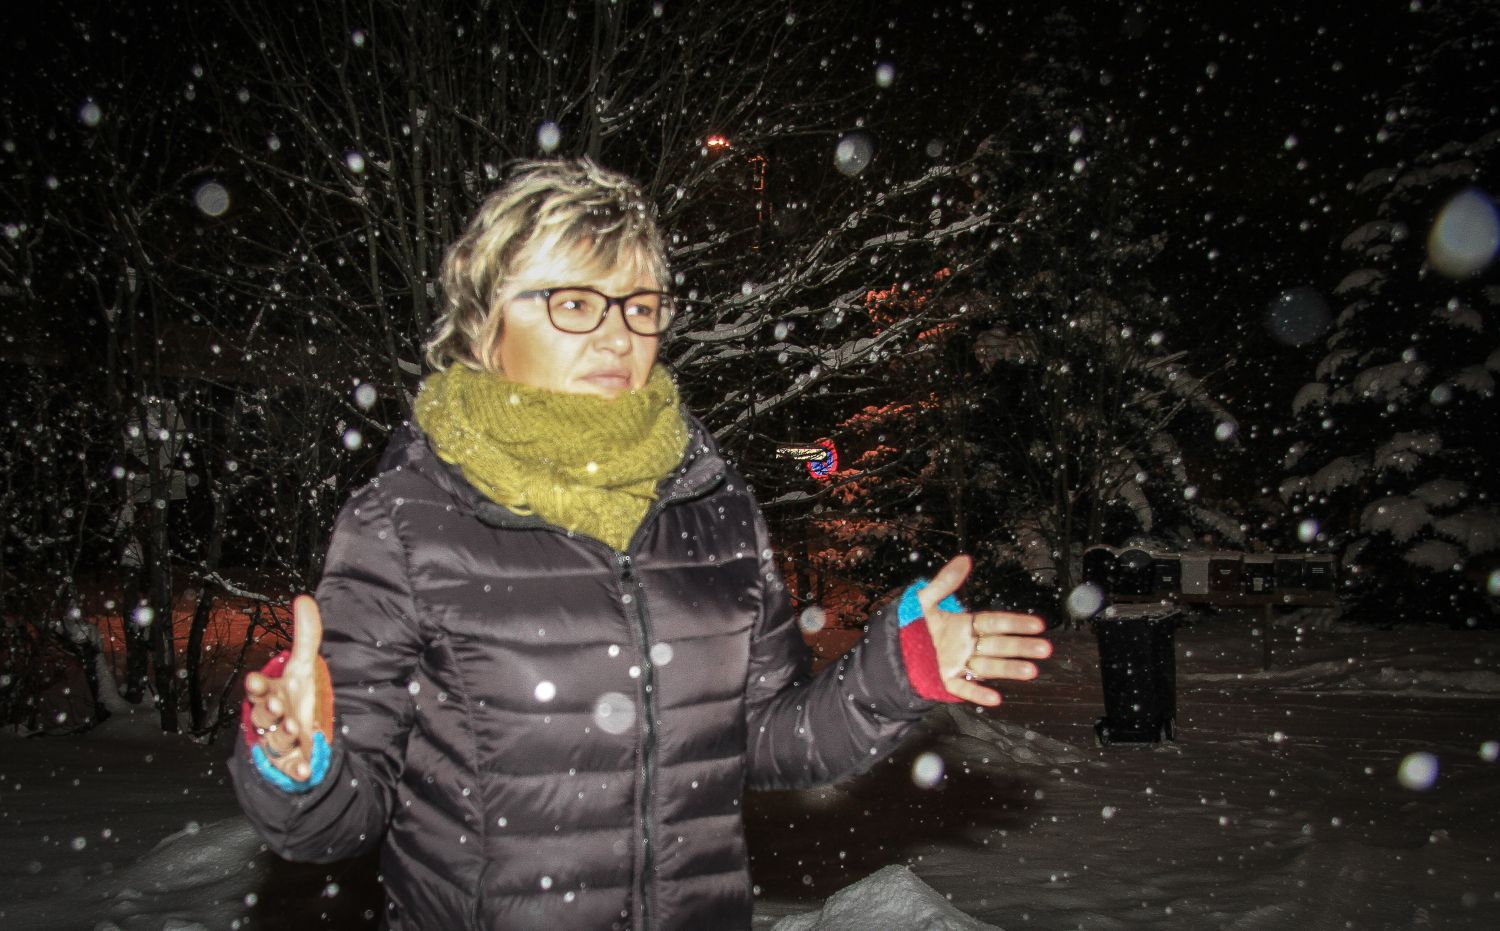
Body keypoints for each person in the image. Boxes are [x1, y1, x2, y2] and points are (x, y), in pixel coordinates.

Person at [229, 158, 1052, 931]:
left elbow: (764, 739)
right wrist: (299, 762)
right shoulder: (408, 518)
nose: (617, 335)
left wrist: (893, 672)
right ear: (485, 322)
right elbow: (335, 822)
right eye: (574, 302)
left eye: (640, 305)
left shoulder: (711, 502)